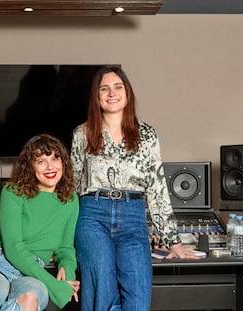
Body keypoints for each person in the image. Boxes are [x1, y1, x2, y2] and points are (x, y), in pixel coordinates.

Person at [70, 65, 200, 311]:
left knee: (138, 297)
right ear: (96, 96)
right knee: (102, 292)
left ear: (127, 93)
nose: (112, 93)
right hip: (92, 215)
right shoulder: (82, 134)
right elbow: (72, 187)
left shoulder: (147, 135)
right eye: (104, 88)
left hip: (133, 216)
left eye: (118, 87)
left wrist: (171, 240)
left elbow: (157, 188)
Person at [0, 134, 80, 311]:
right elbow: (14, 249)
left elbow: (66, 248)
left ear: (64, 162)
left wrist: (67, 268)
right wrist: (54, 286)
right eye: (41, 161)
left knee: (32, 295)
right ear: (30, 166)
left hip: (31, 273)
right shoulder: (13, 192)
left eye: (55, 158)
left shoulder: (70, 200)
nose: (50, 166)